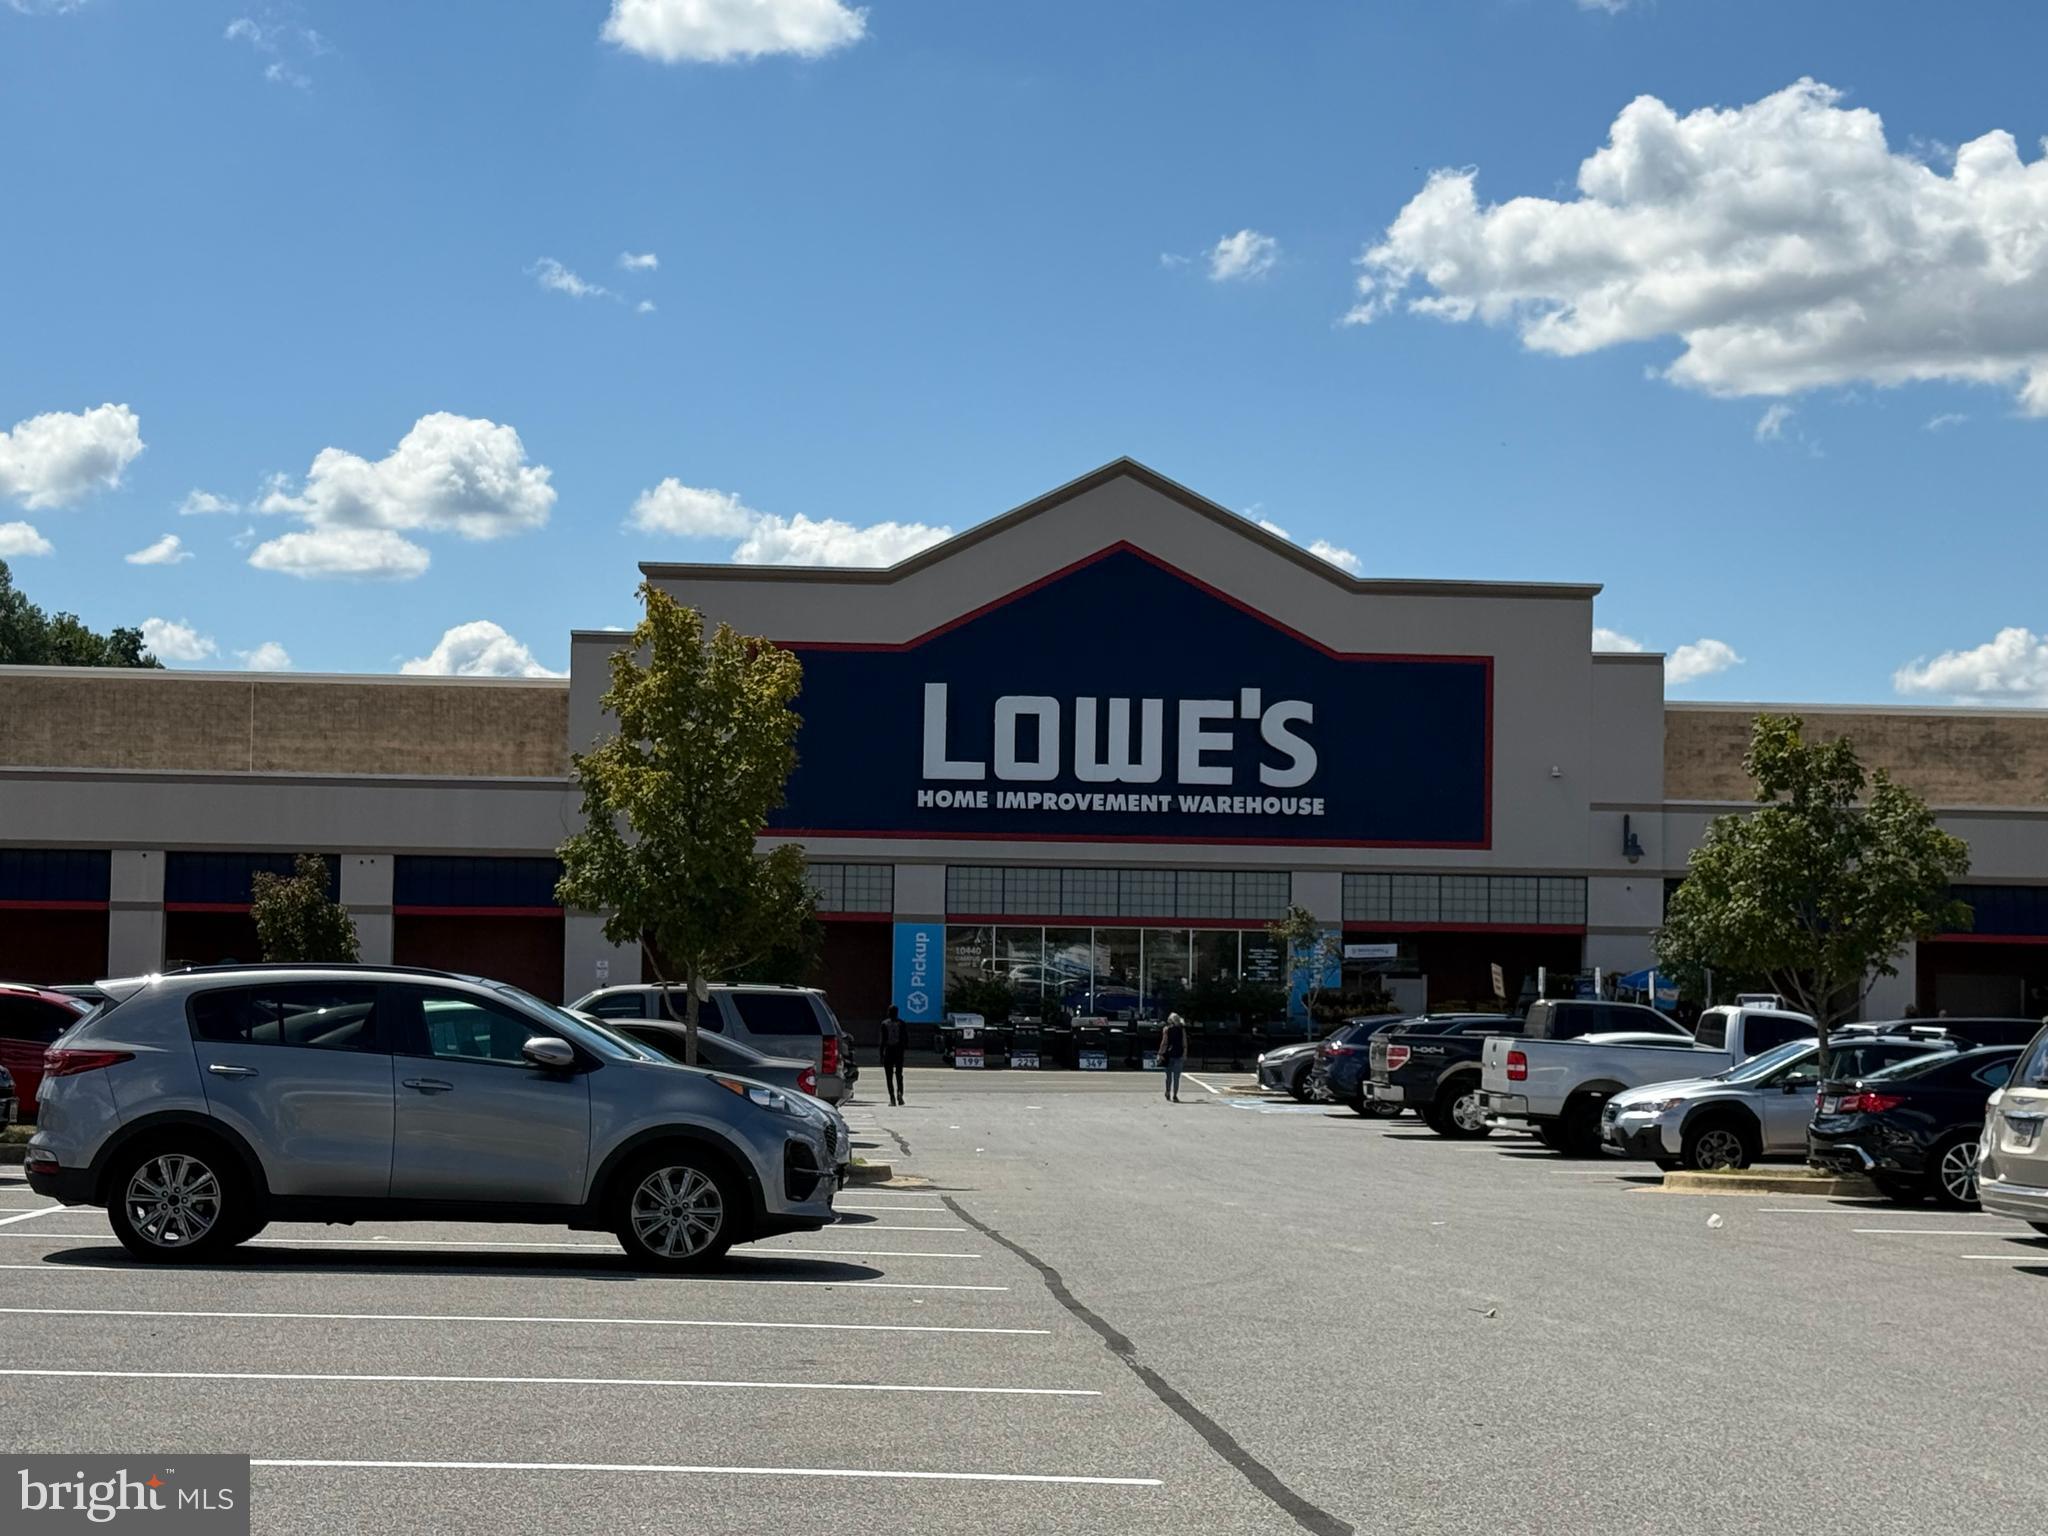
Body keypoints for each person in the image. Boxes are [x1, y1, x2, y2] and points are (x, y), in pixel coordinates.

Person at [879, 1005, 907, 1106]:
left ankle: (892, 1098)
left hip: (888, 1051)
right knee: (899, 1074)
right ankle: (900, 1093)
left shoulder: (884, 1024)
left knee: (889, 1076)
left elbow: (882, 1041)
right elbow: (905, 1039)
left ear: (888, 1013)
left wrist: (881, 1055)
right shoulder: (902, 1024)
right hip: (898, 1051)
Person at [1158, 1011, 1188, 1103]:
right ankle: (1175, 1095)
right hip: (1179, 1054)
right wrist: (1185, 1053)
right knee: (1176, 1077)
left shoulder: (1167, 1029)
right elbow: (1184, 1042)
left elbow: (1164, 1043)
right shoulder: (1182, 1029)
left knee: (1168, 1076)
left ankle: (1167, 1092)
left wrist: (1160, 1053)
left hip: (1168, 1054)